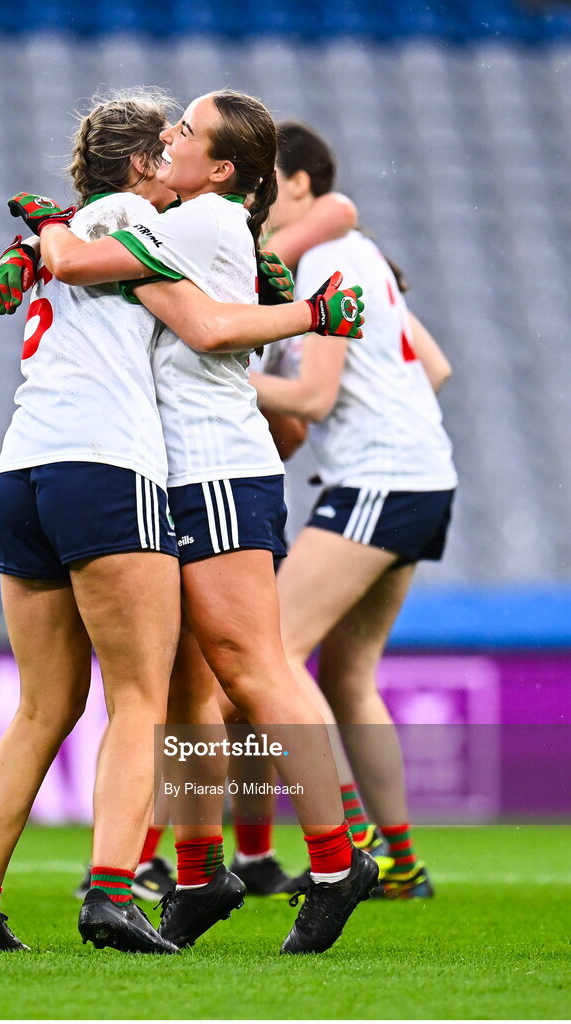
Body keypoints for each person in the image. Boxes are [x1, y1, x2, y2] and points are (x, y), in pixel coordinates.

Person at [9, 89, 378, 956]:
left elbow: (100, 271)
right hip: (177, 468)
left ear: (220, 170)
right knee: (186, 689)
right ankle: (203, 869)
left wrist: (49, 230)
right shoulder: (199, 218)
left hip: (213, 464)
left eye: (185, 130)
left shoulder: (204, 218)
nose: (167, 137)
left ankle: (337, 860)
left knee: (255, 667)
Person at [0, 90, 187, 956]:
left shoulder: (63, 231)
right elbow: (106, 274)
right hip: (105, 464)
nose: (183, 160)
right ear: (141, 163)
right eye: (172, 144)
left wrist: (40, 234)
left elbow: (45, 269)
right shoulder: (121, 216)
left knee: (42, 706)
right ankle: (113, 896)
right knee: (141, 699)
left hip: (23, 469)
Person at [247, 120, 457, 898]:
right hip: (415, 477)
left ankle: (355, 841)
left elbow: (313, 397)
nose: (259, 198)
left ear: (301, 184)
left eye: (270, 181)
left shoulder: (327, 259)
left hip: (379, 484)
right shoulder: (360, 255)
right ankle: (401, 866)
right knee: (347, 674)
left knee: (269, 649)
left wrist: (217, 376)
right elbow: (434, 367)